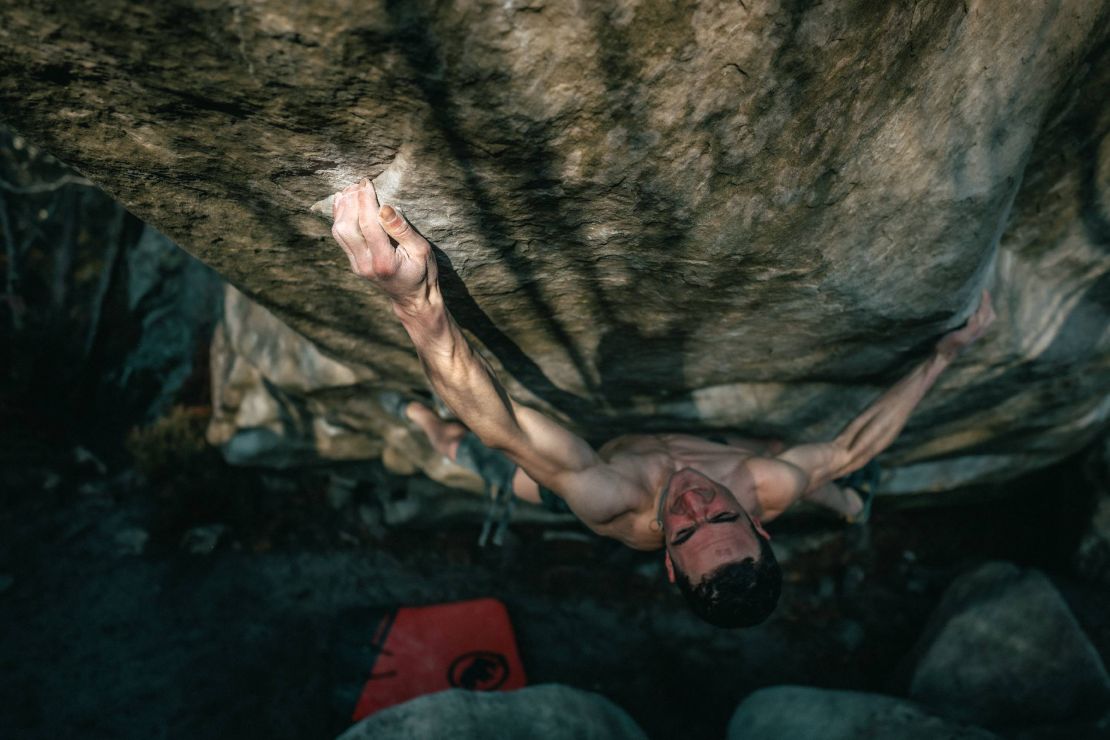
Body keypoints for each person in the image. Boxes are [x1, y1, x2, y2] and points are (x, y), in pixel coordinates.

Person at [329, 179, 996, 628]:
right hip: (767, 471)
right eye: (721, 515)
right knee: (811, 471)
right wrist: (945, 356)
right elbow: (858, 446)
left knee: (469, 449)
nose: (693, 504)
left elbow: (498, 422)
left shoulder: (610, 500)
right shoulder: (767, 486)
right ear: (759, 523)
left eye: (683, 532)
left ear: (668, 562)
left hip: (586, 471)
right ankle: (846, 506)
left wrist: (414, 302)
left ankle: (409, 420)